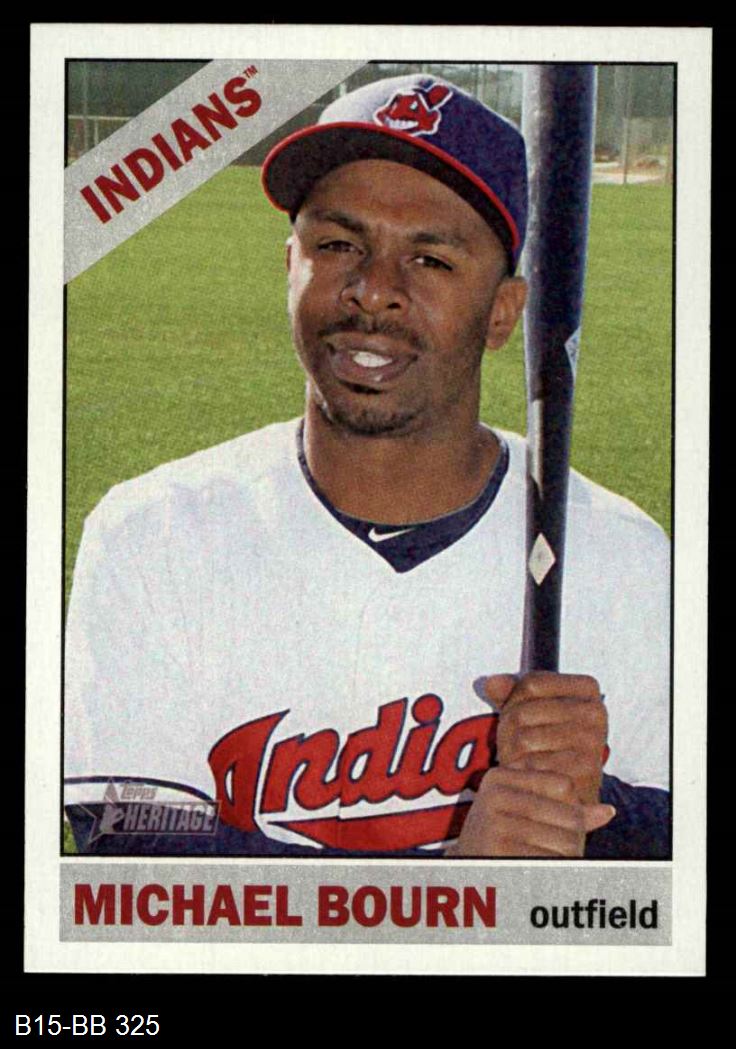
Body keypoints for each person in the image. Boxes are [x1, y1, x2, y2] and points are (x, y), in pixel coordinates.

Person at [64, 74, 670, 858]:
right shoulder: (152, 533)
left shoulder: (625, 557)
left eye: (430, 259)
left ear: (502, 313)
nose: (374, 290)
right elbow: (129, 851)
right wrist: (451, 895)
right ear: (290, 264)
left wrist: (602, 812)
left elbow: (676, 873)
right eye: (338, 245)